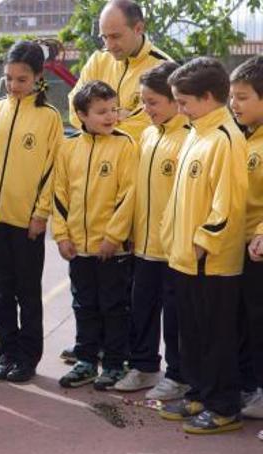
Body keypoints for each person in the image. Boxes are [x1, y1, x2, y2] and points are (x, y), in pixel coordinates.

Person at [158, 58, 248, 435]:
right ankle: (199, 393)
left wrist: (202, 241)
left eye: (184, 102)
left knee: (216, 337)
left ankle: (224, 405)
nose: (180, 109)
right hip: (183, 259)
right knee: (191, 334)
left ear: (209, 97)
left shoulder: (227, 138)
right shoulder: (196, 132)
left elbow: (228, 203)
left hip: (210, 261)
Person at [0, 41, 64, 382]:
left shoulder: (49, 118)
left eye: (22, 79)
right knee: (1, 290)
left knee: (27, 291)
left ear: (38, 77)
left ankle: (28, 356)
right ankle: (6, 352)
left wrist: (41, 214)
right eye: (9, 78)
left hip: (26, 222)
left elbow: (53, 170)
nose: (14, 85)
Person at [113, 62, 190, 399]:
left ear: (175, 100)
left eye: (153, 102)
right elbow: (134, 190)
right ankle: (143, 367)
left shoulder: (189, 137)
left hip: (174, 248)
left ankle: (178, 375)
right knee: (141, 307)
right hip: (143, 245)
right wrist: (125, 230)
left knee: (175, 316)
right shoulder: (146, 135)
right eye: (143, 102)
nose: (146, 109)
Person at [53, 81, 136, 390]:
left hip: (112, 249)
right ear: (81, 115)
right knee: (84, 304)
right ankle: (86, 360)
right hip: (79, 248)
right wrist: (62, 235)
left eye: (113, 109)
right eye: (101, 111)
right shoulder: (68, 147)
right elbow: (59, 194)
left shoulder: (125, 145)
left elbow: (129, 195)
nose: (110, 116)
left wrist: (114, 237)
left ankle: (115, 363)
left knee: (115, 307)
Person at [67, 1, 171, 146]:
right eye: (104, 37)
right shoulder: (98, 60)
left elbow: (145, 127)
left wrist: (96, 119)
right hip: (96, 160)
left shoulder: (163, 68)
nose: (109, 45)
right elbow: (75, 108)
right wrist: (122, 116)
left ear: (138, 28)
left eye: (115, 36)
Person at [229, 56, 263, 424]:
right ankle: (249, 384)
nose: (233, 105)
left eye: (242, 97)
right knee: (242, 320)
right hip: (238, 246)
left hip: (258, 248)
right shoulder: (242, 137)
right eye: (231, 97)